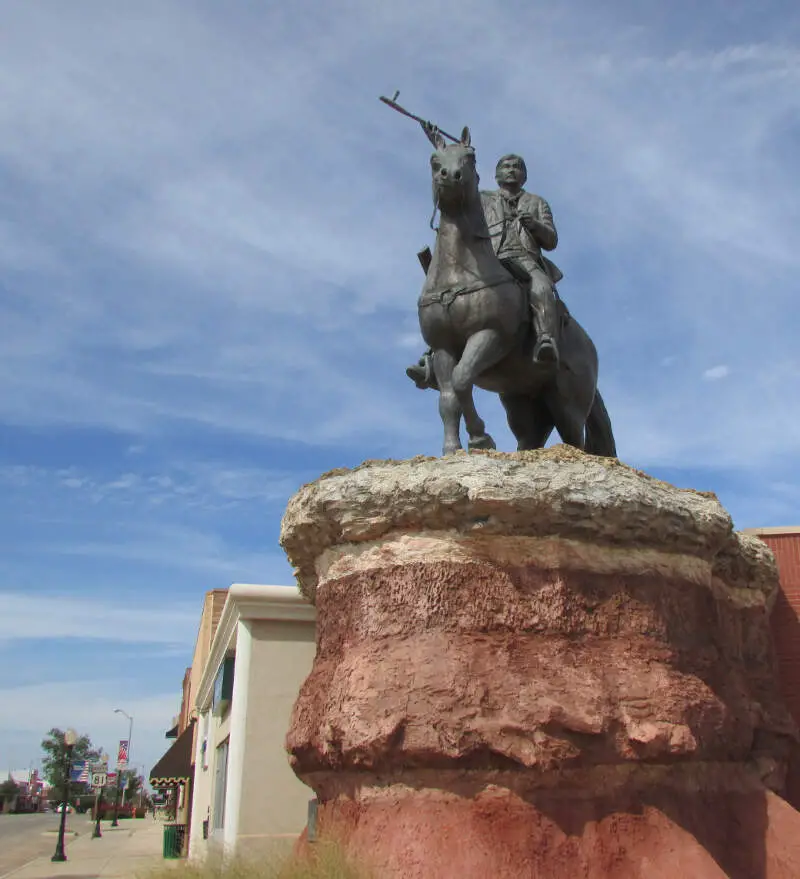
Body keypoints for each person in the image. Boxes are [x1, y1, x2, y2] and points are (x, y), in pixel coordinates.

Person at [407, 153, 564, 389]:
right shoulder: (482, 199)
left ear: (524, 175)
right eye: (505, 166)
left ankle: (545, 339)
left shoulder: (537, 203)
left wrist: (535, 225)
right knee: (447, 297)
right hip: (489, 258)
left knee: (541, 286)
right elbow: (458, 197)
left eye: (516, 167)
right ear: (496, 174)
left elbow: (551, 240)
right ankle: (431, 357)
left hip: (523, 259)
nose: (511, 170)